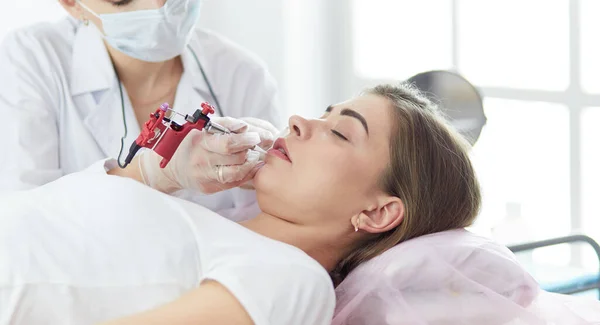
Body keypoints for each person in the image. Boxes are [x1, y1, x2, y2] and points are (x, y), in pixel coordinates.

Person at [0, 83, 481, 324]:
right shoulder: (211, 222)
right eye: (321, 113)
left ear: (377, 212)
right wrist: (153, 173)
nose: (296, 122)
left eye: (338, 131)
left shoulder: (293, 279)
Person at [0, 0, 281, 220]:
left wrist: (259, 175)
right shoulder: (30, 60)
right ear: (72, 3)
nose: (158, 9)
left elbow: (268, 219)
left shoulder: (243, 75)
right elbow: (24, 222)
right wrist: (146, 175)